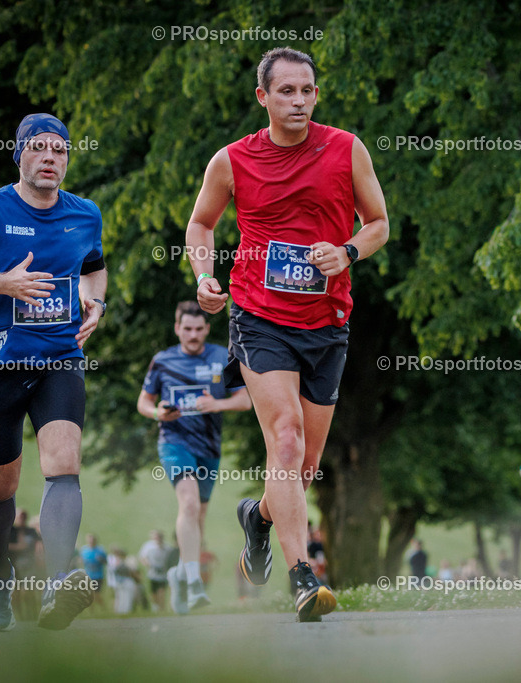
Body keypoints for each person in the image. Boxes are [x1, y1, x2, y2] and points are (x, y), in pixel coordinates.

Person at [184, 47, 389, 621]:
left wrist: (347, 252)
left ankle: (259, 518)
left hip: (326, 322)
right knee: (287, 437)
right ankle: (303, 577)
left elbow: (378, 224)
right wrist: (204, 276)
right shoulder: (232, 160)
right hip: (259, 316)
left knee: (304, 467)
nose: (299, 101)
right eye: (287, 91)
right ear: (263, 97)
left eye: (307, 91)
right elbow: (201, 224)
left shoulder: (346, 148)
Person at [0, 112, 105, 630]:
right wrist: (3, 283)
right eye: (40, 147)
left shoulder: (85, 214)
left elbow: (94, 269)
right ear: (20, 154)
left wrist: (96, 304)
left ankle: (57, 583)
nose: (51, 157)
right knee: (0, 484)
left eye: (60, 150)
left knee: (64, 462)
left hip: (59, 359)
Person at [137, 301, 252, 613]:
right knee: (187, 504)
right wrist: (157, 412)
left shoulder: (222, 356)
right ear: (177, 328)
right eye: (187, 329)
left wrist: (217, 405)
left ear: (207, 329)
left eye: (199, 329)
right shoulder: (162, 361)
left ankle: (178, 574)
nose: (193, 335)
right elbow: (143, 402)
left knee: (198, 518)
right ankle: (193, 580)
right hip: (174, 443)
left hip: (209, 448)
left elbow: (244, 401)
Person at [8, 508, 42, 620]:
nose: (22, 518)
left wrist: (39, 558)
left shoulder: (31, 531)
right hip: (15, 566)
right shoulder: (10, 531)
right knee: (16, 593)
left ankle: (33, 614)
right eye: (20, 516)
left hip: (29, 565)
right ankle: (19, 616)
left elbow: (38, 545)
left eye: (24, 516)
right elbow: (4, 546)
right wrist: (19, 547)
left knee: (28, 591)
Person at [138, 530, 170, 612]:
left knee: (161, 592)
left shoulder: (167, 547)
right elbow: (142, 557)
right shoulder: (148, 546)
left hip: (163, 574)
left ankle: (162, 608)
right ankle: (156, 606)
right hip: (152, 573)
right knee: (154, 593)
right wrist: (148, 564)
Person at [79, 534, 108, 608]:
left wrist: (101, 559)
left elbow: (106, 562)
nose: (91, 542)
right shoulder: (84, 550)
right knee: (89, 594)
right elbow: (81, 561)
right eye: (89, 541)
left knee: (96, 594)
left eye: (92, 541)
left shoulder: (100, 550)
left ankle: (103, 607)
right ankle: (92, 610)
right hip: (88, 575)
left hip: (98, 575)